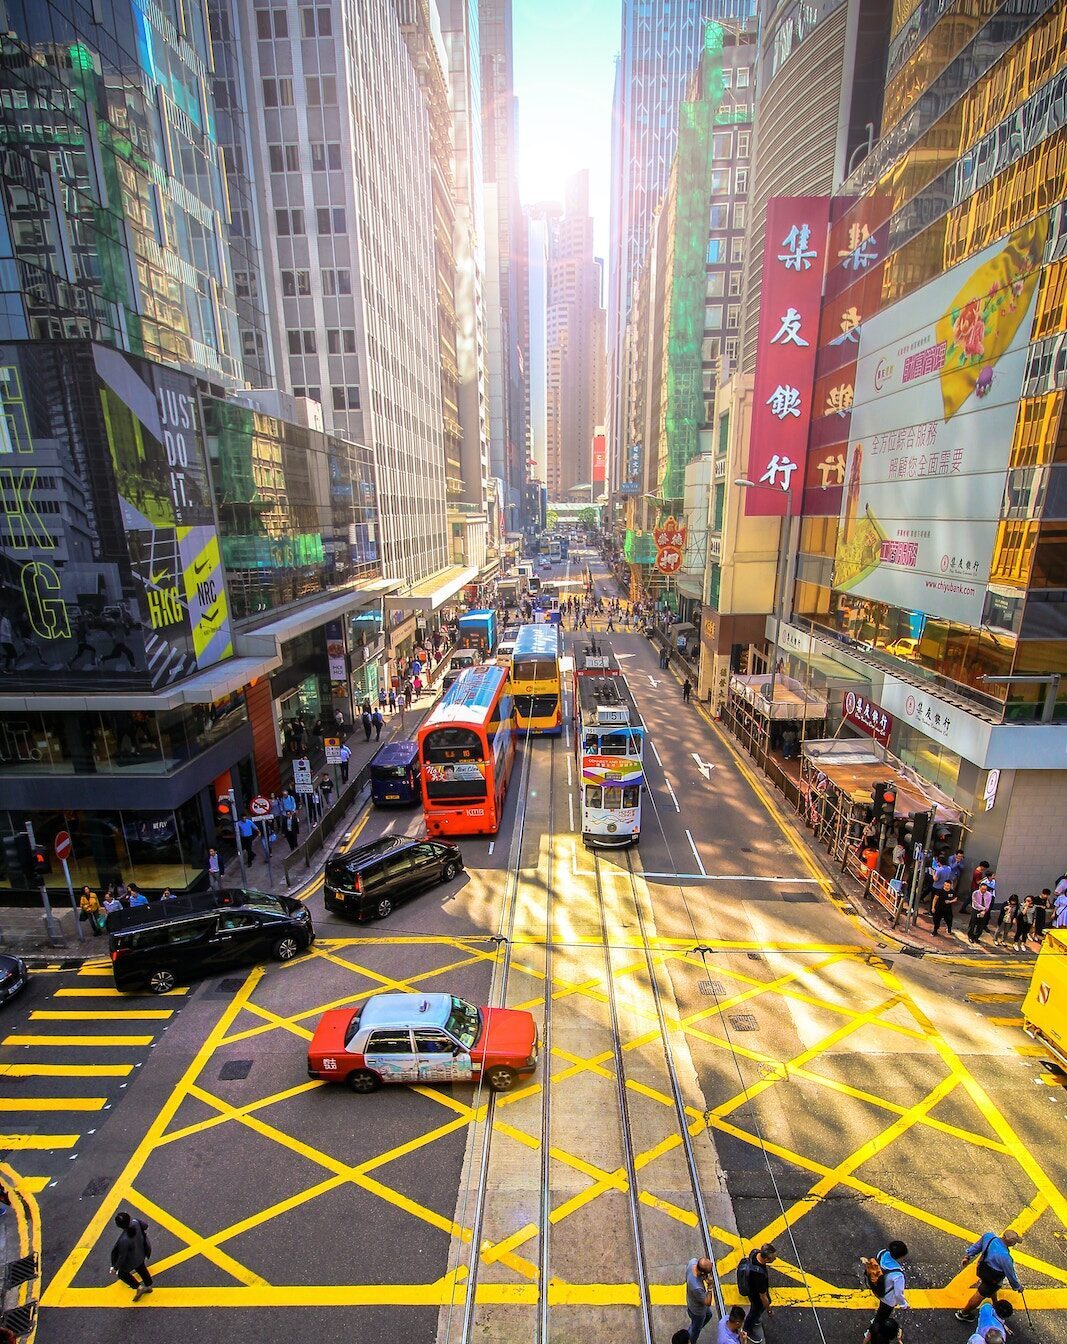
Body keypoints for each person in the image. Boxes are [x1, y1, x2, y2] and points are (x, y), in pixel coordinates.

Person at [955, 1229, 1023, 1321]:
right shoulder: (1005, 1257)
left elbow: (977, 1246)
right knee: (980, 1294)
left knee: (993, 1288)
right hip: (992, 1278)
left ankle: (995, 1303)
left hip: (982, 1269)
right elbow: (1010, 1274)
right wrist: (1017, 1287)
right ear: (1011, 1243)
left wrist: (968, 1256)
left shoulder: (989, 1237)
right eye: (1015, 1242)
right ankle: (963, 1313)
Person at [861, 1240, 909, 1343]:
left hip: (878, 1289)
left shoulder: (882, 1253)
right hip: (888, 1299)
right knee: (882, 1316)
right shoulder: (898, 1275)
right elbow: (898, 1293)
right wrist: (904, 1304)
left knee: (881, 1313)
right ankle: (871, 1332)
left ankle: (872, 1331)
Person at [109, 1210, 153, 1300]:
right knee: (141, 1268)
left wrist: (115, 1268)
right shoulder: (136, 1222)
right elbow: (145, 1226)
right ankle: (148, 1285)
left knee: (122, 1274)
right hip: (141, 1253)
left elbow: (122, 1257)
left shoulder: (124, 1240)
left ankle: (139, 1288)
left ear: (119, 1225)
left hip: (131, 1261)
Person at [740, 1243, 776, 1342]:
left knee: (755, 1311)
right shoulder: (760, 1276)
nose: (775, 1259)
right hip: (756, 1294)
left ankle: (754, 1320)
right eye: (772, 1258)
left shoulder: (755, 1252)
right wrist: (769, 1310)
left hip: (751, 1287)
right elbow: (763, 1297)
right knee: (755, 1310)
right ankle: (747, 1330)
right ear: (765, 1259)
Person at [683, 1255, 717, 1342]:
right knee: (695, 1331)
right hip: (697, 1311)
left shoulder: (692, 1262)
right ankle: (690, 1341)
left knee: (708, 1315)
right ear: (702, 1273)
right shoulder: (697, 1287)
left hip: (694, 1302)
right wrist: (710, 1286)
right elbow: (707, 1302)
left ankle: (695, 1327)